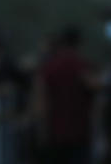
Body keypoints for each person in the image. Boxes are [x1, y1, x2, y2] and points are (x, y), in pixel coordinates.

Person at [36, 27, 98, 164]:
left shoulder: (49, 67)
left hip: (55, 130)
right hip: (80, 129)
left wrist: (42, 128)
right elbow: (93, 87)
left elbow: (41, 99)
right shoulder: (82, 65)